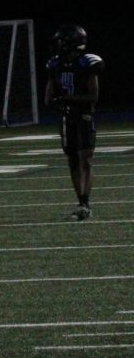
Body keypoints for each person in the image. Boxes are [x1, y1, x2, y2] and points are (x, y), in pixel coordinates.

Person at [45, 23, 103, 220]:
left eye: (61, 41)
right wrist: (57, 102)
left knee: (85, 159)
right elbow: (48, 96)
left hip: (84, 117)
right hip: (66, 118)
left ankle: (85, 202)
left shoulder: (87, 63)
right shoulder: (55, 64)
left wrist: (67, 100)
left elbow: (93, 96)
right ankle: (80, 200)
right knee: (72, 161)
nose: (58, 45)